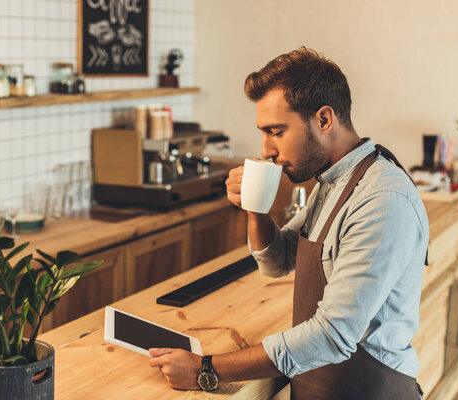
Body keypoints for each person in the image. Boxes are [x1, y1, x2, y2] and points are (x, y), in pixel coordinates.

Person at [149, 46, 428, 400]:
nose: (265, 149)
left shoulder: (381, 199)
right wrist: (256, 207)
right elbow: (277, 261)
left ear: (324, 120)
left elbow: (332, 336)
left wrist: (207, 369)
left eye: (276, 131)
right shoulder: (332, 182)